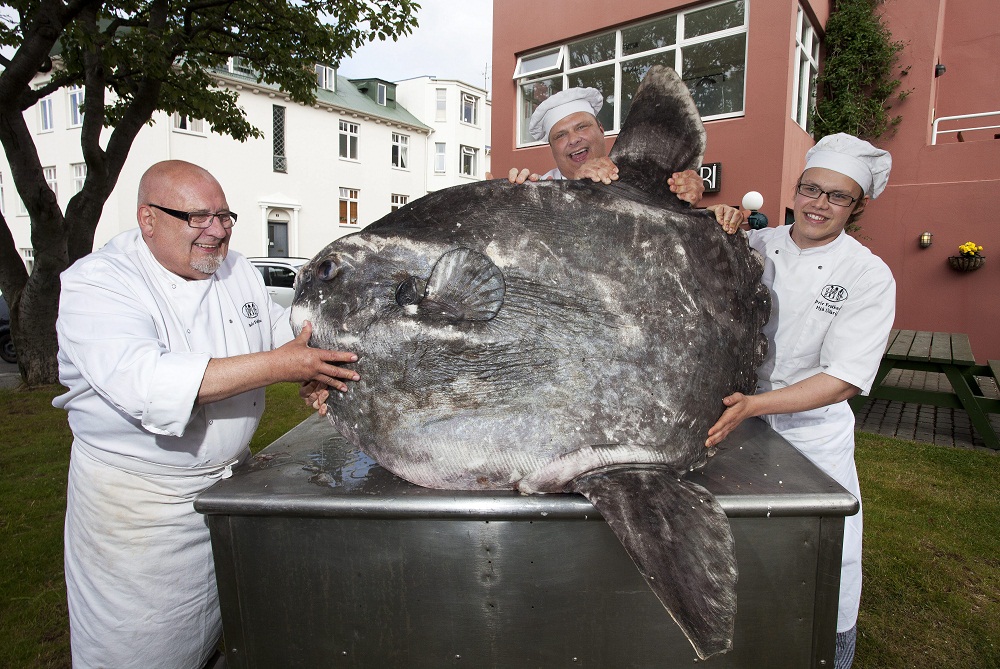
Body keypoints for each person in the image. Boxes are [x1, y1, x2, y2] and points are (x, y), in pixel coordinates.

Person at [53, 160, 359, 669]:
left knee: (231, 632)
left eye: (224, 215)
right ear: (147, 218)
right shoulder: (97, 284)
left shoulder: (236, 269)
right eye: (197, 217)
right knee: (138, 649)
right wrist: (284, 365)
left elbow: (278, 339)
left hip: (227, 490)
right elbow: (147, 383)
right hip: (139, 512)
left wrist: (314, 369)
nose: (215, 231)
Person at [704, 133, 896, 668]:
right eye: (811, 189)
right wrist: (708, 215)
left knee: (825, 568)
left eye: (837, 196)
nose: (818, 204)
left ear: (857, 207)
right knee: (736, 555)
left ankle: (827, 657)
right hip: (735, 425)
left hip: (812, 437)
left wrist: (751, 407)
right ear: (796, 188)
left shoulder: (867, 274)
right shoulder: (757, 244)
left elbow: (843, 379)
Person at [490, 86, 743, 229]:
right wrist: (507, 199)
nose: (573, 139)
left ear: (601, 130)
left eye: (581, 127)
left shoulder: (642, 177)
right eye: (560, 135)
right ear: (552, 148)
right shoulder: (537, 190)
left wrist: (695, 207)